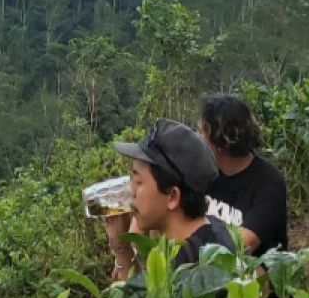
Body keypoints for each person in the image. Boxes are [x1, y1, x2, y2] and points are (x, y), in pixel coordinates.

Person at [104, 118, 236, 281]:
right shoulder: (213, 230)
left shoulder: (190, 273)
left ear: (173, 197)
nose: (131, 191)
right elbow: (142, 297)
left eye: (138, 182)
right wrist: (122, 246)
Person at [199, 94, 288, 255]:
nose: (198, 140)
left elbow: (246, 243)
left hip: (251, 273)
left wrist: (190, 240)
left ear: (219, 139)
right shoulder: (202, 172)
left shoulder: (269, 182)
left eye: (202, 133)